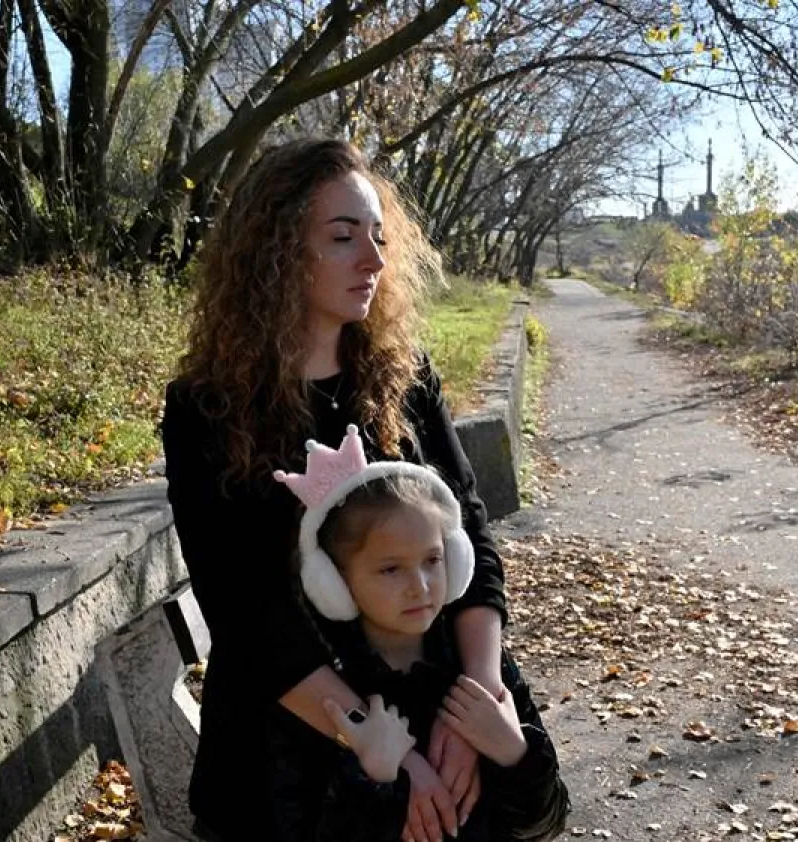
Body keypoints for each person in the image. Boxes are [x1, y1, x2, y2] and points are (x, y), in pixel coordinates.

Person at [160, 138, 509, 842]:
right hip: (286, 760)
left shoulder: (406, 376)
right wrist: (391, 755)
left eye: (378, 237)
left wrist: (477, 699)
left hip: (432, 711)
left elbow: (467, 535)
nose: (373, 260)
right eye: (344, 237)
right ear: (276, 250)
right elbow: (246, 614)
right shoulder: (207, 409)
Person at [266, 427, 569, 841]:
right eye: (391, 569)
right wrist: (374, 779)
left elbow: (545, 824)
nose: (420, 587)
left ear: (456, 558)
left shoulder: (477, 666)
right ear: (333, 583)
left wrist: (514, 753)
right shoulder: (333, 697)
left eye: (432, 560)